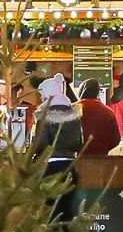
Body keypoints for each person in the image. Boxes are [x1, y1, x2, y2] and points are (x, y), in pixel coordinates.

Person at [32, 76, 84, 223]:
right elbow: (79, 144)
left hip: (49, 167)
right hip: (70, 165)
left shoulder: (44, 116)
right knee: (68, 209)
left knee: (50, 211)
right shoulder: (74, 116)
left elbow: (40, 145)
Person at [77, 80, 121, 157]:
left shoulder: (72, 109)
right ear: (98, 93)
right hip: (101, 160)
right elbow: (115, 140)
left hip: (76, 161)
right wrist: (103, 149)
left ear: (81, 91)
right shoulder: (108, 112)